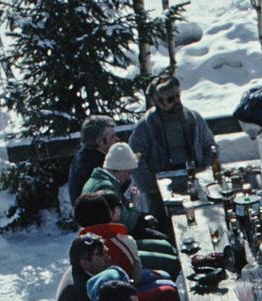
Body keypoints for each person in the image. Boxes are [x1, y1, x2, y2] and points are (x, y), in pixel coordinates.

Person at [82, 140, 178, 277]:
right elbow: (123, 223)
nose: (129, 176)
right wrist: (134, 205)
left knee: (165, 243)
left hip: (110, 241)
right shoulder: (105, 188)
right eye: (128, 172)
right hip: (111, 248)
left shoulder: (99, 181)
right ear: (120, 171)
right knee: (169, 255)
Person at [129, 70, 217, 208]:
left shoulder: (193, 118)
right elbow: (135, 159)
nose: (177, 101)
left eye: (178, 96)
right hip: (162, 188)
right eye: (170, 99)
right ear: (158, 102)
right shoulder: (146, 126)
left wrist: (205, 170)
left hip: (194, 181)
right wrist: (152, 188)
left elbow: (209, 145)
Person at [68, 115, 117, 208]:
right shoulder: (92, 167)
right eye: (112, 137)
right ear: (100, 141)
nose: (117, 139)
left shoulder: (85, 156)